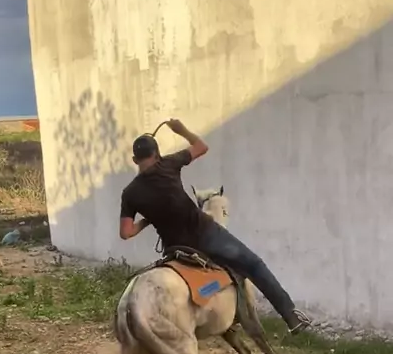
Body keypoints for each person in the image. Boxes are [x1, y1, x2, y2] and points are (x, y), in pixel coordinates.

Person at [119, 118, 311, 334]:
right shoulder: (169, 164)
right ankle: (291, 316)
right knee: (254, 264)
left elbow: (126, 233)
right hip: (206, 235)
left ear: (135, 160)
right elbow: (201, 146)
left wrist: (147, 219)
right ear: (157, 154)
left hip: (175, 249)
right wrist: (181, 130)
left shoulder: (130, 193)